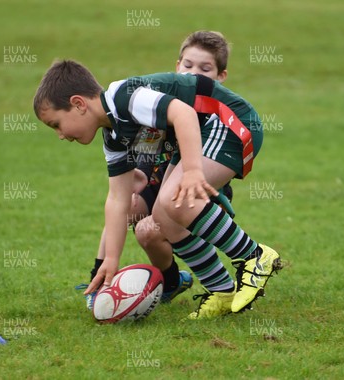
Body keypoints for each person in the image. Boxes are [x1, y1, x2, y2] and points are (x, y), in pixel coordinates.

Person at [33, 58, 282, 319]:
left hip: (228, 119)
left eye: (56, 124)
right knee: (164, 217)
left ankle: (255, 255)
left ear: (78, 104)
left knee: (174, 198)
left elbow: (184, 113)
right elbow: (118, 200)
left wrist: (194, 172)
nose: (60, 135)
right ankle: (220, 290)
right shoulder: (113, 137)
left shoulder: (123, 98)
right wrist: (110, 261)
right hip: (202, 130)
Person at [83, 31, 236, 309]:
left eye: (205, 69)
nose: (192, 74)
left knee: (149, 229)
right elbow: (141, 146)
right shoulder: (156, 100)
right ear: (176, 65)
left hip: (190, 187)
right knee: (127, 206)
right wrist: (136, 174)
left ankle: (220, 285)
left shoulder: (208, 113)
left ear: (220, 76)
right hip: (155, 180)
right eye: (187, 66)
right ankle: (108, 277)